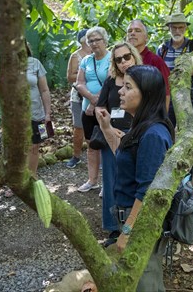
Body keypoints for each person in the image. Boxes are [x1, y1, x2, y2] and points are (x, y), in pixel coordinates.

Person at [96, 65, 174, 291]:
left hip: (139, 222)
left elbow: (148, 191)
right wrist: (106, 127)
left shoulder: (153, 135)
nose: (120, 91)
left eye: (128, 87)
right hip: (132, 218)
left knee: (145, 281)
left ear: (147, 94)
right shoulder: (141, 127)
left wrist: (128, 232)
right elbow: (124, 155)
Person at [95, 41, 142, 247]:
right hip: (110, 133)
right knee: (111, 180)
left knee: (132, 180)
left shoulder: (142, 78)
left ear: (133, 56)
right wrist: (108, 127)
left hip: (134, 134)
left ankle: (132, 225)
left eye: (126, 57)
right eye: (118, 59)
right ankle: (113, 227)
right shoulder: (111, 80)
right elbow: (99, 107)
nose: (123, 62)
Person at [74, 26, 111, 192]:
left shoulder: (112, 59)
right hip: (86, 110)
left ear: (105, 40)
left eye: (97, 39)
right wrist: (90, 97)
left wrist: (95, 103)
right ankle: (92, 180)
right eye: (91, 41)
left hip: (106, 109)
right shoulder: (86, 60)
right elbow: (78, 82)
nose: (94, 43)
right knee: (91, 145)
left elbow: (111, 83)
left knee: (108, 145)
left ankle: (107, 183)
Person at [157, 12, 193, 127]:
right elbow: (156, 74)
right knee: (166, 129)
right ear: (169, 28)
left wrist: (185, 70)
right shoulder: (162, 49)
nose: (177, 31)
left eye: (180, 27)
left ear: (185, 28)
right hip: (166, 98)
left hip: (189, 98)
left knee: (187, 130)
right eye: (174, 27)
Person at [126, 20, 171, 110]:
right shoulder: (121, 60)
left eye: (138, 31)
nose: (133, 33)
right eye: (130, 31)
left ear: (146, 37)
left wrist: (163, 118)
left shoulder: (156, 61)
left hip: (149, 113)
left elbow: (166, 92)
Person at [65, 30, 91, 168]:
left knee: (97, 127)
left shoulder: (98, 55)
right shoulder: (76, 56)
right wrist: (87, 74)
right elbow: (69, 76)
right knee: (79, 127)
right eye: (88, 38)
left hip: (95, 96)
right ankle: (76, 156)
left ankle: (95, 157)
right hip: (78, 96)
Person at [26, 43, 52, 178]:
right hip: (15, 116)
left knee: (35, 146)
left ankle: (32, 177)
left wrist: (47, 113)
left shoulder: (35, 63)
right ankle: (17, 181)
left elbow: (44, 90)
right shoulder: (7, 65)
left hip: (36, 113)